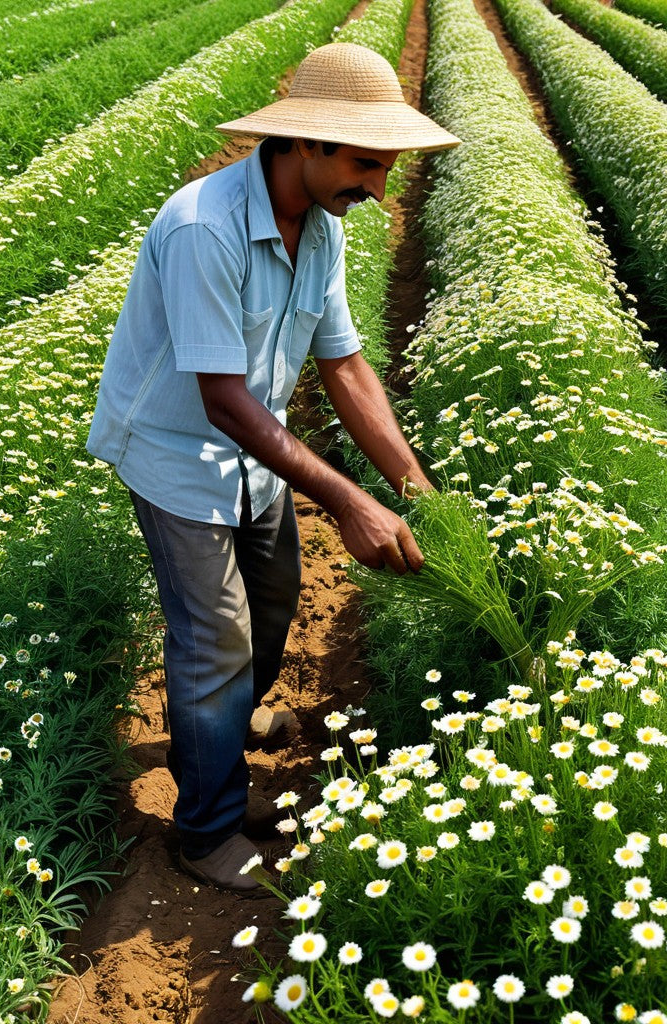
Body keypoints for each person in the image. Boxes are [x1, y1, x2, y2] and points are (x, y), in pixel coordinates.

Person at [87, 42, 460, 891]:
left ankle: (217, 734)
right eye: (365, 164)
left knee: (274, 602)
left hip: (257, 453)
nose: (379, 187)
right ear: (307, 142)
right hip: (178, 454)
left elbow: (346, 365)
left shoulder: (321, 230)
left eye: (386, 167)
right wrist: (347, 501)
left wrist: (414, 487)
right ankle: (206, 828)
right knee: (214, 637)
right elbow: (223, 401)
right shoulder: (204, 228)